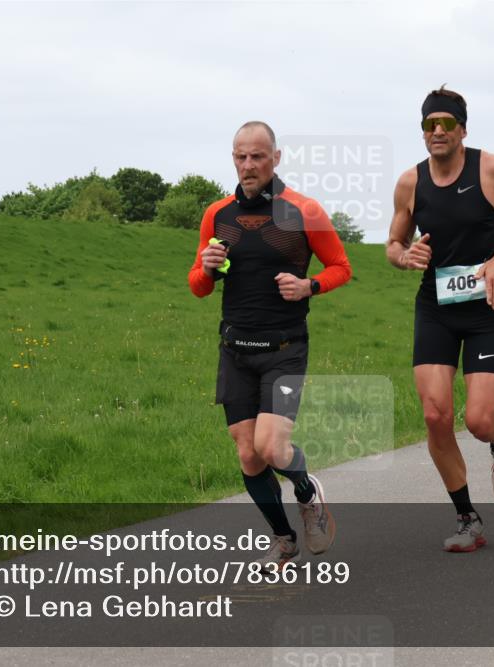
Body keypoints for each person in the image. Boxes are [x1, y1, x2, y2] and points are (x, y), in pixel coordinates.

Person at [188, 121, 352, 570]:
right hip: (235, 350)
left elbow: (341, 266)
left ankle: (307, 492)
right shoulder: (217, 215)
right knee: (247, 453)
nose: (248, 165)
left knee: (272, 448)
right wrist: (206, 268)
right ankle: (284, 540)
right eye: (240, 156)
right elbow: (199, 287)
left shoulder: (304, 211)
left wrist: (308, 286)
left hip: (284, 348)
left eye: (257, 156)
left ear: (275, 158)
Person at [386, 86, 494, 552]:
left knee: (478, 420)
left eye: (446, 123)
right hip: (435, 307)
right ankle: (466, 517)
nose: (437, 130)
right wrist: (404, 256)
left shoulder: (491, 169)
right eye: (429, 124)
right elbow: (393, 243)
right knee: (435, 415)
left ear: (462, 129)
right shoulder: (410, 182)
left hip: (487, 308)